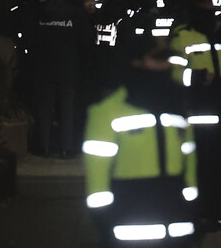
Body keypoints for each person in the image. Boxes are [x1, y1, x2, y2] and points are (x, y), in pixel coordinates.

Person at [84, 19, 198, 247]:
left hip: (176, 223)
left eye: (167, 58)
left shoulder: (177, 107)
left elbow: (189, 162)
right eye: (158, 58)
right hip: (130, 223)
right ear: (135, 62)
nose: (166, 65)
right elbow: (97, 176)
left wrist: (193, 208)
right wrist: (104, 221)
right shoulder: (107, 112)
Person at [169, 0, 221, 230]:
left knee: (219, 168)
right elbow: (174, 73)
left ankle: (215, 213)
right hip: (198, 112)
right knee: (200, 169)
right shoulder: (183, 36)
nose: (209, 11)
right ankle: (198, 215)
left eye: (211, 7)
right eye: (204, 7)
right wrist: (198, 76)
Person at [34, 0, 91, 158]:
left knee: (44, 109)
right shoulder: (75, 13)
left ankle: (43, 147)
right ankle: (67, 147)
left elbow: (30, 38)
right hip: (69, 67)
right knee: (67, 109)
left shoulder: (40, 11)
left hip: (43, 67)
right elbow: (86, 41)